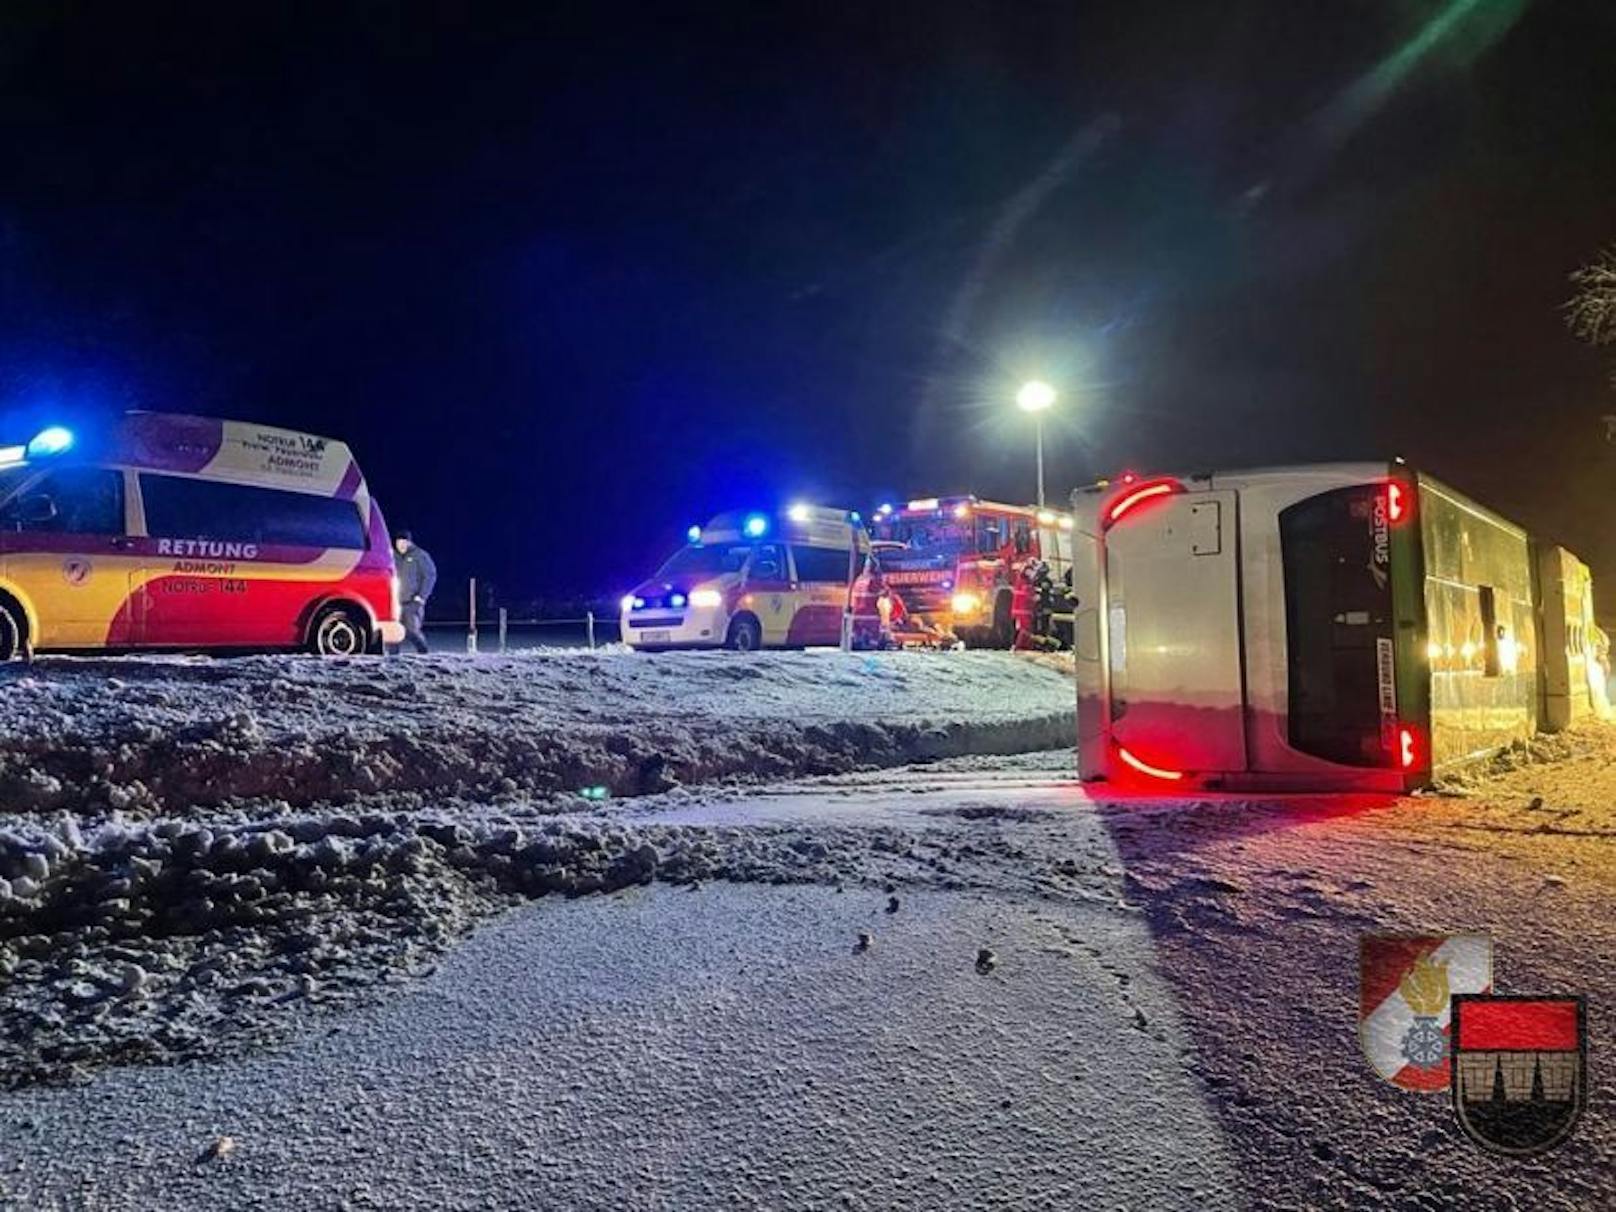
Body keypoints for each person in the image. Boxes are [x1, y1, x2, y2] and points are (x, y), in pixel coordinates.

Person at [392, 530, 437, 654]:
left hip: (413, 602)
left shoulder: (420, 556)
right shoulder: (392, 556)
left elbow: (430, 576)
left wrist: (422, 596)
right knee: (394, 633)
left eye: (404, 542)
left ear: (409, 542)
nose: (401, 545)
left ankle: (424, 653)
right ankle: (393, 660)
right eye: (398, 542)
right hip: (395, 602)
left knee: (412, 631)